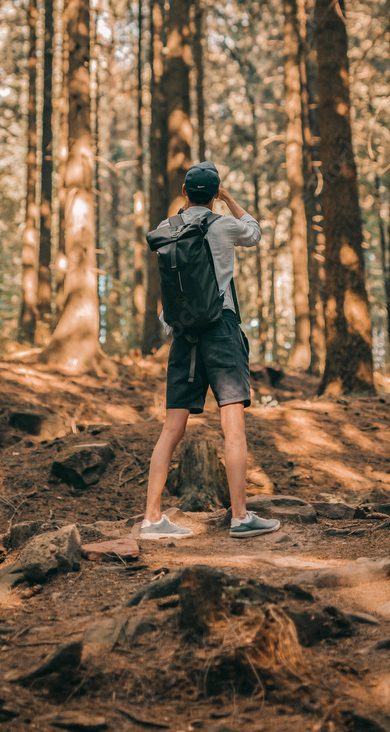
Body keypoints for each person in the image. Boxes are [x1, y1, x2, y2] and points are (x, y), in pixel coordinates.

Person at [140, 161, 280, 540]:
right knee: (232, 425)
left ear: (185, 192)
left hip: (183, 334)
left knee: (172, 428)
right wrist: (231, 200)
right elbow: (254, 233)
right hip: (220, 329)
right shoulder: (222, 225)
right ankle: (240, 517)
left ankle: (151, 519)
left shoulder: (166, 229)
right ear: (215, 194)